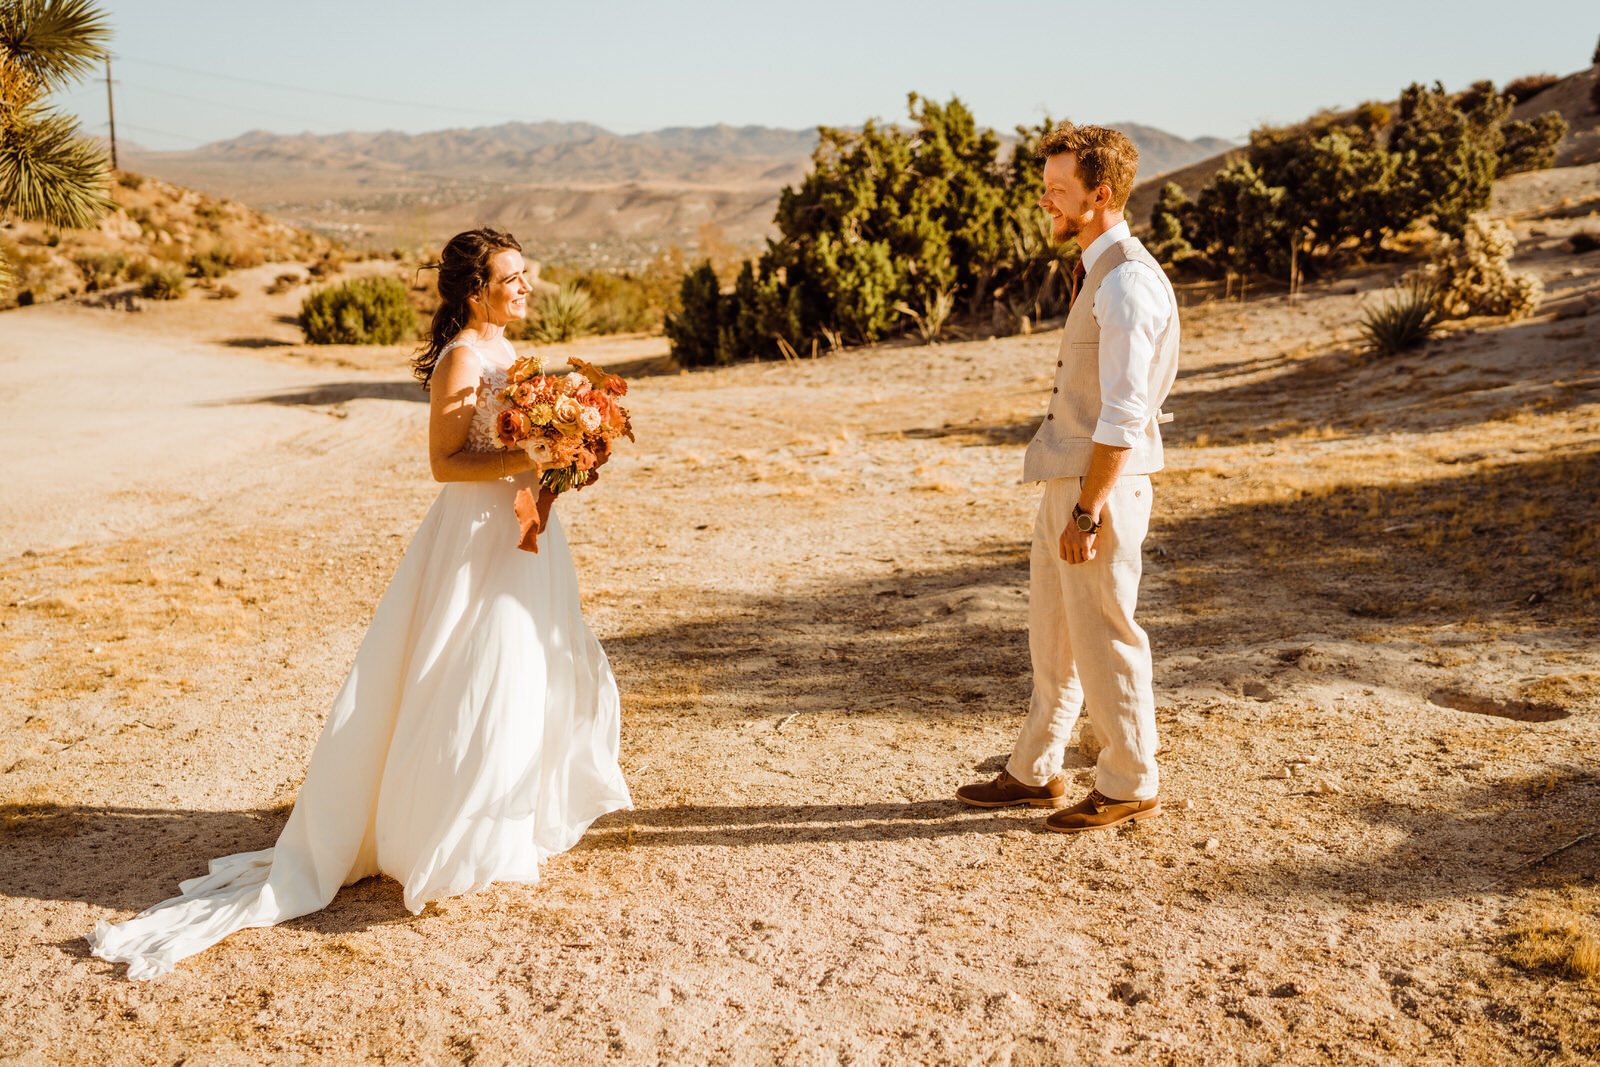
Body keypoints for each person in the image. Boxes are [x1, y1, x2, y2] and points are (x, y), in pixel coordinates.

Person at [87, 227, 632, 979]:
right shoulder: (464, 358)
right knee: (474, 674)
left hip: (523, 530)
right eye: (512, 277)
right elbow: (445, 462)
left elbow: (523, 445)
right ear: (476, 290)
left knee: (528, 668)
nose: (526, 286)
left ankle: (504, 820)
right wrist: (528, 454)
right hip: (473, 537)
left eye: (526, 274)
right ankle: (446, 833)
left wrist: (572, 448)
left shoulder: (513, 357)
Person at [956, 124, 1179, 833]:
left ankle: (1129, 779)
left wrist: (1087, 511)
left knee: (1106, 632)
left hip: (1100, 487)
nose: (1045, 201)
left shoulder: (1129, 284)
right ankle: (1035, 768)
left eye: (1059, 190)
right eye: (1046, 187)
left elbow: (1124, 413)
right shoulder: (1096, 268)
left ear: (1101, 194)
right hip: (1073, 479)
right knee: (1054, 633)